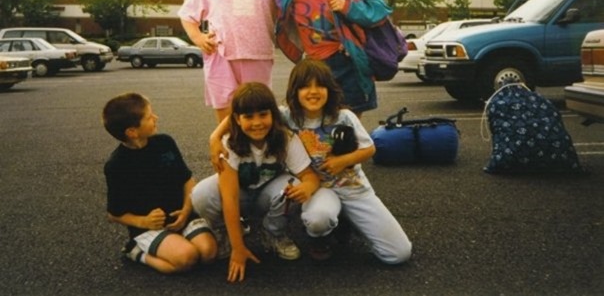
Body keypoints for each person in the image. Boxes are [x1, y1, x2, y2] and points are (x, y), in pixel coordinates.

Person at [209, 59, 412, 264]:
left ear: (330, 89)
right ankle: (320, 236)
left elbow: (369, 148)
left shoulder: (344, 117)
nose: (313, 92)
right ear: (295, 91)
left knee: (398, 254)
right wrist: (215, 137)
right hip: (317, 189)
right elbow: (245, 111)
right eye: (305, 86)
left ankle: (346, 221)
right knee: (318, 219)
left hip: (353, 189)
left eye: (320, 85)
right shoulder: (287, 115)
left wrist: (343, 161)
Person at [203, 0, 393, 116]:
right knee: (313, 122)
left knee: (349, 121)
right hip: (313, 64)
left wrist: (348, 6)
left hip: (345, 62)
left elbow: (380, 8)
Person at [191, 82, 321, 282]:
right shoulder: (229, 143)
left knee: (294, 185)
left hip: (266, 196)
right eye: (249, 117)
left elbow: (309, 175)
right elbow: (229, 198)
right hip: (240, 195)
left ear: (273, 115)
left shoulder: (285, 138)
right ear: (237, 119)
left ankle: (273, 232)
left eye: (263, 114)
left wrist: (307, 187)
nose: (257, 122)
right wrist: (238, 248)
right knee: (201, 194)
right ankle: (226, 232)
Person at [102, 92, 217, 274]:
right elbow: (113, 214)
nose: (156, 118)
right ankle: (136, 251)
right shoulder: (116, 165)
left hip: (182, 215)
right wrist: (144, 221)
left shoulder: (165, 142)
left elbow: (187, 180)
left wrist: (186, 210)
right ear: (132, 132)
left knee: (208, 253)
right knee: (187, 258)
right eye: (149, 117)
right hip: (149, 227)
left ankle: (176, 241)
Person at [179, 0, 276, 123]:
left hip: (258, 56)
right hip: (220, 57)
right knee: (227, 120)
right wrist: (198, 38)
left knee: (257, 116)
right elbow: (187, 15)